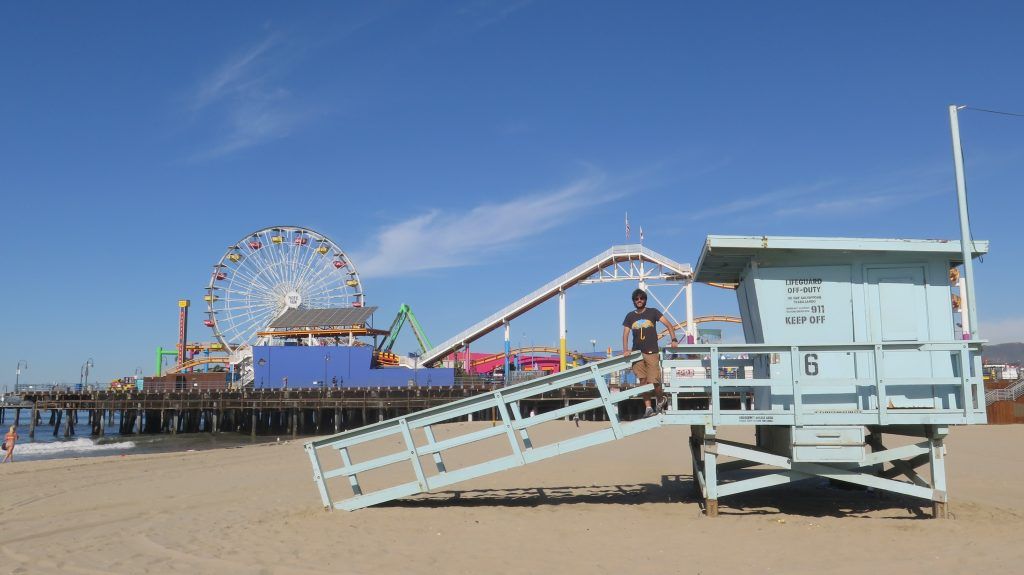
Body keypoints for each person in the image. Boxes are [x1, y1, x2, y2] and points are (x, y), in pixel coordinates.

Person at [622, 288, 677, 417]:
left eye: (641, 298)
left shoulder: (653, 312)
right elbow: (625, 334)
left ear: (645, 300)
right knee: (642, 380)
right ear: (633, 301)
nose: (639, 300)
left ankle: (660, 399)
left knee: (655, 381)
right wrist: (625, 349)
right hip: (637, 353)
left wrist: (674, 339)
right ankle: (648, 408)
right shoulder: (630, 316)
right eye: (636, 299)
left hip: (651, 351)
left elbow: (669, 325)